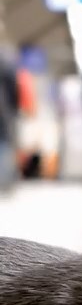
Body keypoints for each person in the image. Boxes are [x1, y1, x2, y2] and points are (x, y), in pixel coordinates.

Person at [0, 39, 19, 192]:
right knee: (4, 143)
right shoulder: (5, 58)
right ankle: (4, 182)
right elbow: (13, 86)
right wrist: (14, 107)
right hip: (3, 107)